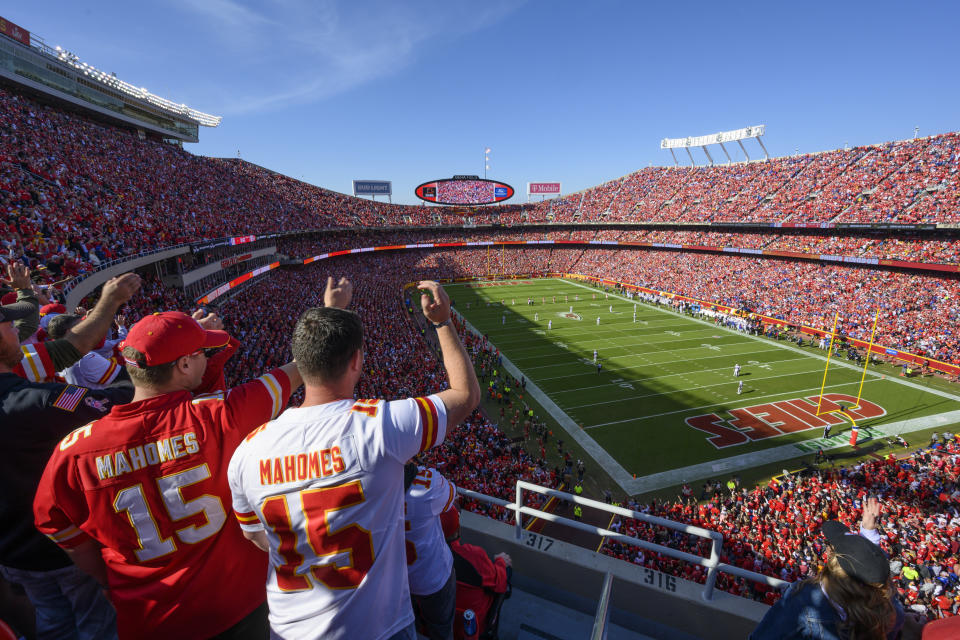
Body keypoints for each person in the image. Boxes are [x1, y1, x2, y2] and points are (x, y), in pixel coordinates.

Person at [34, 281, 309, 639]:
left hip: (147, 616)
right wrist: (335, 309)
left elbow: (55, 523)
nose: (206, 358)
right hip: (235, 605)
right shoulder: (220, 416)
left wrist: (106, 578)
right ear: (182, 364)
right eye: (200, 354)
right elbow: (301, 367)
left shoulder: (73, 452)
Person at [227, 279, 480, 639]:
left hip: (289, 630)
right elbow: (465, 394)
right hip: (379, 628)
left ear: (301, 359)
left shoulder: (248, 452)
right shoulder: (379, 428)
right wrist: (442, 321)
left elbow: (257, 537)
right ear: (357, 360)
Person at [1, 272, 141, 640]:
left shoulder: (25, 379)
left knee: (52, 622)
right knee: (97, 623)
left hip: (12, 554)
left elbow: (68, 346)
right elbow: (110, 404)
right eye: (9, 326)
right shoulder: (38, 401)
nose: (19, 330)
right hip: (62, 548)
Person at [750, 498, 923, 640]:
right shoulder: (890, 611)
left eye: (832, 549)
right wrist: (868, 535)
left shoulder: (804, 598)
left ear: (834, 566)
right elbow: (866, 573)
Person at [404, 463, 458, 640]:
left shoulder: (371, 487)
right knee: (441, 627)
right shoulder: (427, 484)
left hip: (397, 579)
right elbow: (451, 496)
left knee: (407, 623)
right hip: (433, 575)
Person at [441, 508, 510, 640]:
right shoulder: (473, 556)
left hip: (434, 625)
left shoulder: (422, 556)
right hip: (472, 627)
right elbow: (500, 584)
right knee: (507, 573)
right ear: (458, 529)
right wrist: (500, 562)